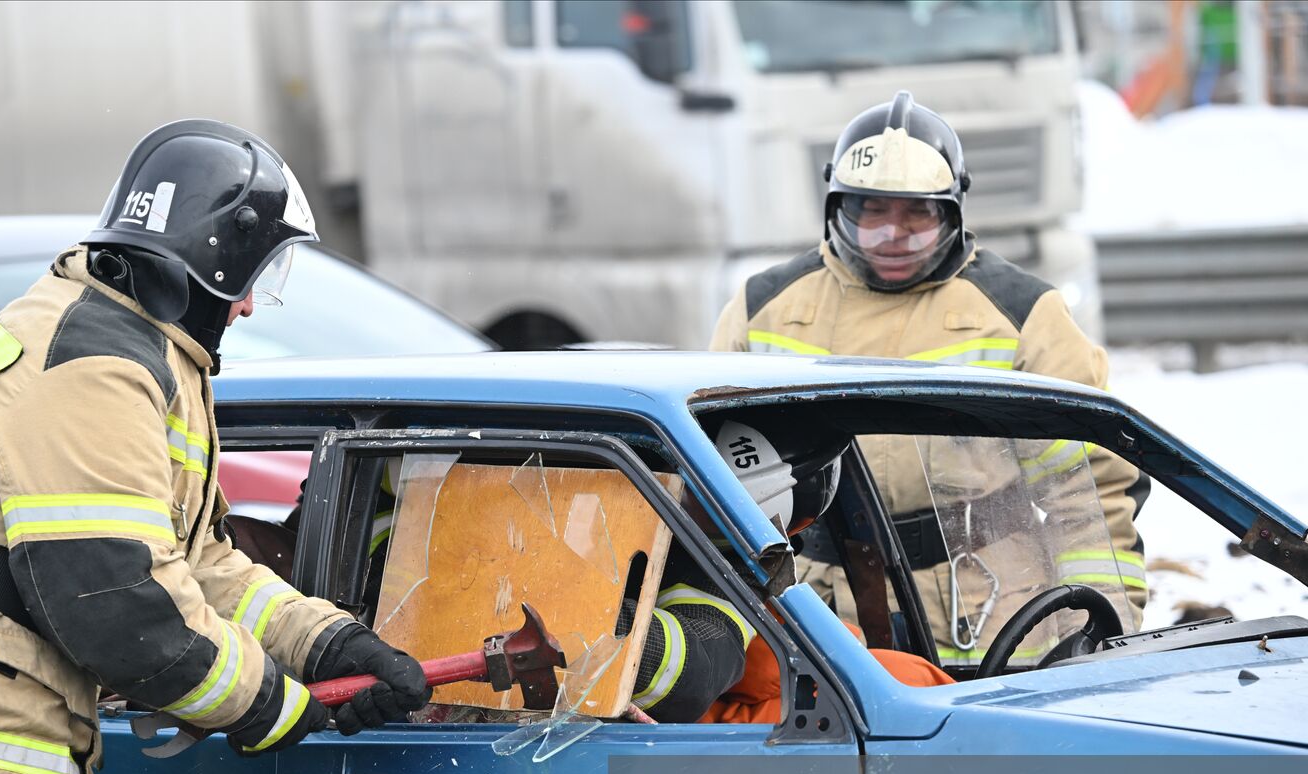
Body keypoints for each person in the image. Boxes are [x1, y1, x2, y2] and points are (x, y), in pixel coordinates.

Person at [0, 120, 429, 774]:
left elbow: (200, 564)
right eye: (258, 275)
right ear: (211, 259)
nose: (257, 303)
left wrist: (331, 642)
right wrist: (273, 703)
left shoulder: (139, 351)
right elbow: (121, 605)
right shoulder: (90, 360)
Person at [711, 91, 1149, 667]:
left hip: (990, 607)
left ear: (953, 210)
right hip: (814, 607)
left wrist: (1105, 629)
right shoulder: (764, 308)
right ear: (837, 209)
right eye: (871, 211)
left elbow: (1091, 494)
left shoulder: (1022, 314)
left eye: (918, 213)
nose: (894, 234)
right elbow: (707, 479)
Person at [229, 416, 952, 728]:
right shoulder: (444, 460)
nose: (693, 528)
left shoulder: (715, 562)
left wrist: (588, 626)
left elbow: (698, 664)